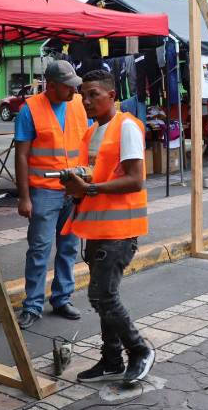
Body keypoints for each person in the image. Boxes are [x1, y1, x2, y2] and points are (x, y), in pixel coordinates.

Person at [62, 70, 155, 384]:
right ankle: (112, 358)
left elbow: (135, 179)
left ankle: (138, 349)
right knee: (102, 295)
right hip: (98, 228)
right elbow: (95, 174)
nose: (86, 101)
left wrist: (88, 189)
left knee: (103, 296)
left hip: (120, 230)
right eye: (82, 95)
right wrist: (76, 183)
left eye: (93, 95)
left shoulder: (126, 127)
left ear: (112, 96)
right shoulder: (93, 132)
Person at [14, 60, 89, 329]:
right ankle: (33, 305)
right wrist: (24, 197)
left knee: (68, 248)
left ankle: (61, 298)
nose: (73, 91)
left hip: (75, 188)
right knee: (39, 250)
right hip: (44, 191)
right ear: (52, 85)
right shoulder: (30, 109)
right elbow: (21, 155)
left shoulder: (79, 104)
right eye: (68, 87)